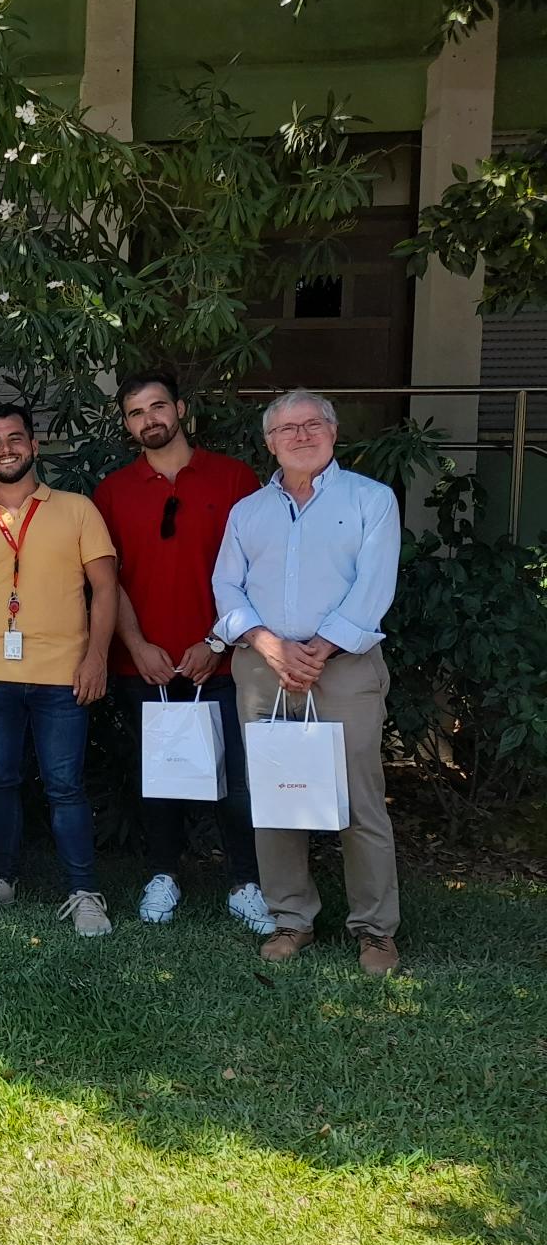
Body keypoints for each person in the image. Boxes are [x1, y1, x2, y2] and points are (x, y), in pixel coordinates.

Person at [212, 390, 403, 975]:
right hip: (263, 669)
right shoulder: (248, 510)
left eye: (312, 424)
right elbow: (227, 586)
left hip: (342, 667)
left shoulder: (371, 500)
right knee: (276, 798)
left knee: (360, 800)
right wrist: (269, 644)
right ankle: (290, 918)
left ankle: (375, 930)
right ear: (269, 442)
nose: (300, 435)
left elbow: (375, 585)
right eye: (286, 428)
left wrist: (320, 648)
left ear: (333, 432)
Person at [92, 372, 271, 933]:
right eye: (136, 413)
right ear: (126, 425)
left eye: (158, 407)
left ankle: (246, 883)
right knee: (158, 776)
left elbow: (259, 571)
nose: (149, 420)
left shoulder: (236, 479)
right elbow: (107, 580)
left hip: (223, 660)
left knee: (237, 780)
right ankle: (162, 875)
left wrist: (216, 641)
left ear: (182, 409)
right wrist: (137, 645)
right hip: (144, 663)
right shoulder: (113, 492)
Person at [0, 404, 118, 935]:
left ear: (34, 445)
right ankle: (1, 876)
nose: (5, 449)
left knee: (64, 784)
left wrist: (96, 657)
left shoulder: (77, 509)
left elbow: (106, 588)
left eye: (14, 439)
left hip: (64, 676)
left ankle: (84, 891)